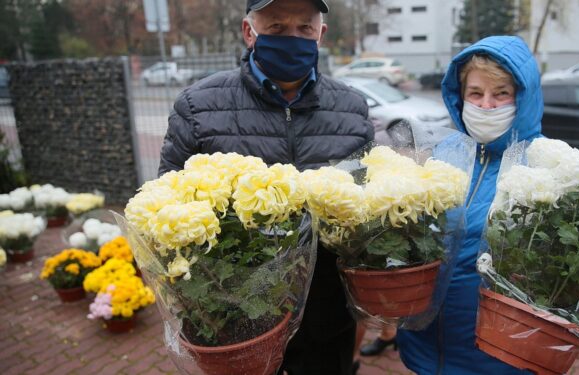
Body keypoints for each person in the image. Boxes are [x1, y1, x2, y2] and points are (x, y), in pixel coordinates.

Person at [158, 0, 374, 374]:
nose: (292, 37)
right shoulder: (198, 107)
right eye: (276, 27)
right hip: (237, 313)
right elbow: (164, 204)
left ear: (320, 35)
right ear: (249, 32)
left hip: (326, 312)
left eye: (304, 28)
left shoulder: (352, 109)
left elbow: (368, 208)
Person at [396, 36, 543, 373]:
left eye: (501, 93)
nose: (486, 105)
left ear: (524, 97)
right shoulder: (447, 152)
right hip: (425, 350)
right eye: (475, 94)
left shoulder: (547, 164)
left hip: (500, 358)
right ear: (460, 96)